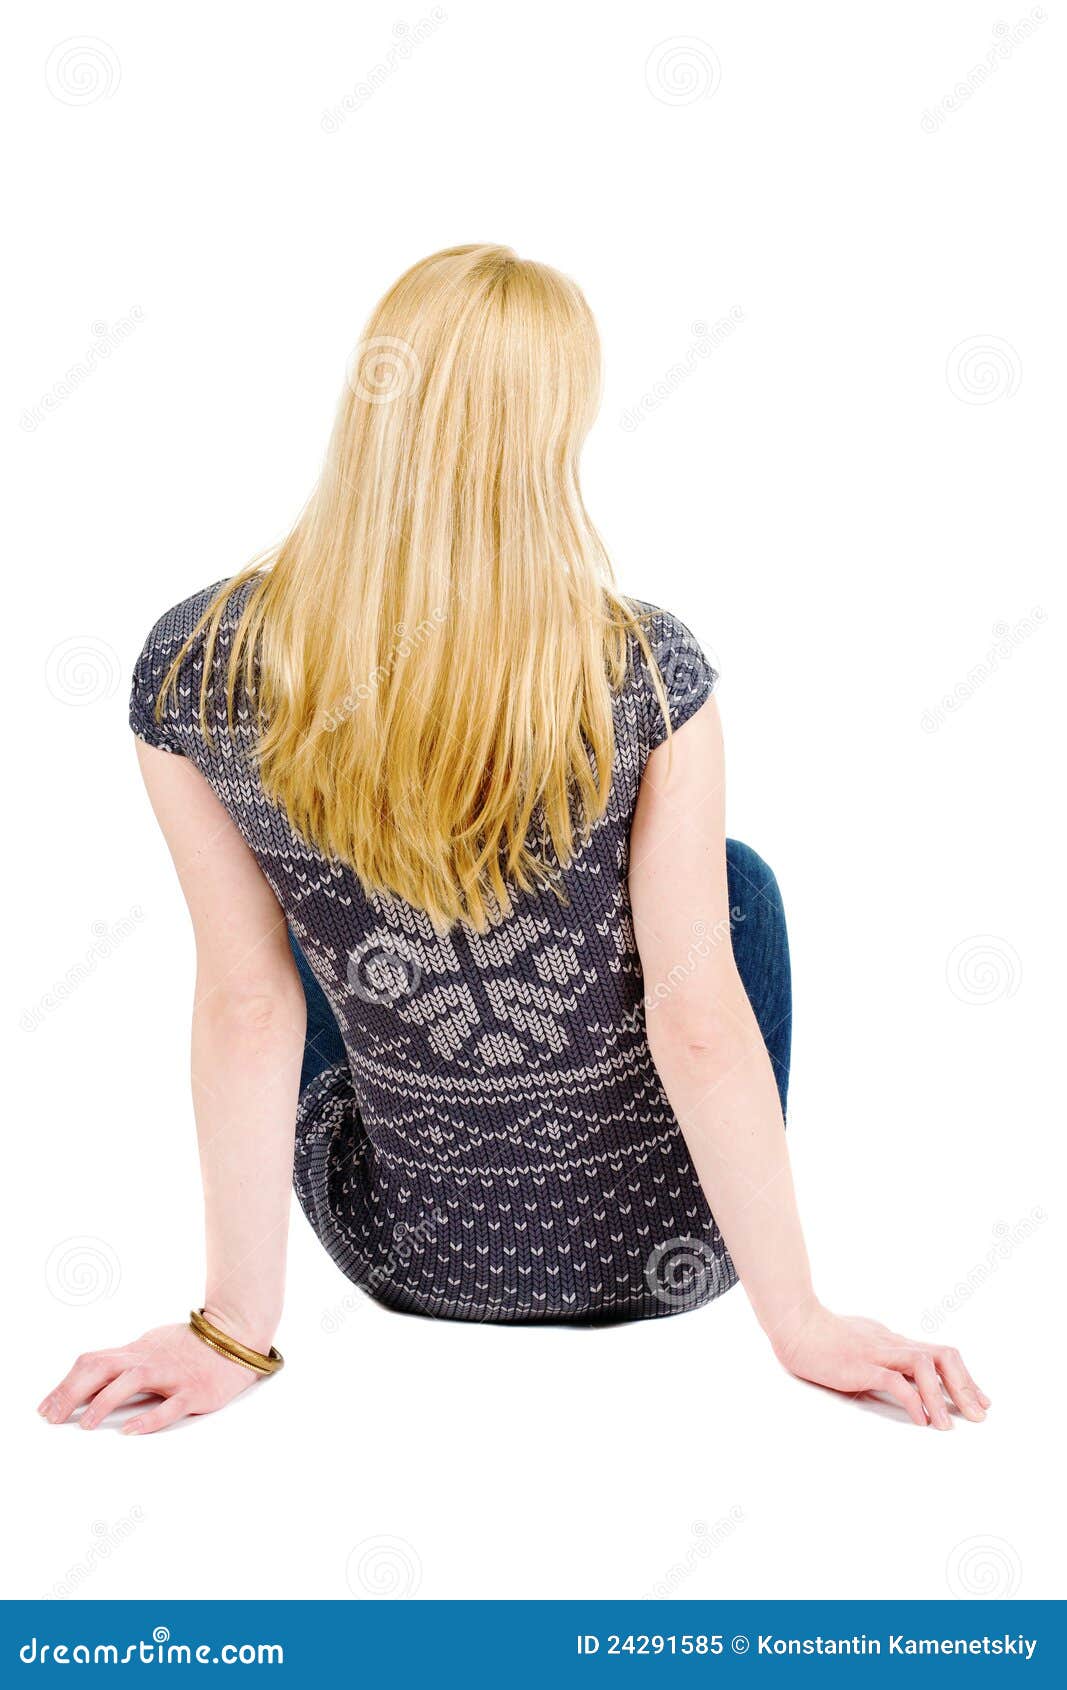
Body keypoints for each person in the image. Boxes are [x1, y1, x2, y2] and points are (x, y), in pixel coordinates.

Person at [39, 245, 988, 1436]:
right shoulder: (641, 668)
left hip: (393, 1252)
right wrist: (799, 1319)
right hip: (668, 1250)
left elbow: (246, 1005)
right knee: (730, 888)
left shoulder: (193, 665)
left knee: (306, 915)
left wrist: (234, 1325)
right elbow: (694, 1026)